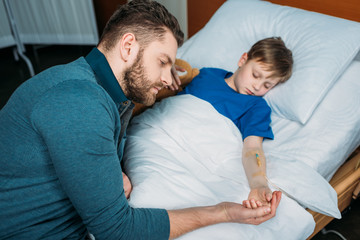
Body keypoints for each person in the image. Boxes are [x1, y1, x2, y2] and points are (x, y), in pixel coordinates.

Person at [0, 1, 281, 239]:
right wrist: (223, 211)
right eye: (162, 62)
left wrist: (112, 172)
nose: (166, 77)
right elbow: (118, 230)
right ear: (128, 46)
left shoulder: (109, 96)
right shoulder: (79, 102)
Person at [178, 37, 293, 209]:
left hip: (193, 152)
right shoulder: (207, 74)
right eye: (255, 75)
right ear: (243, 59)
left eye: (266, 85)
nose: (256, 87)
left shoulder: (256, 107)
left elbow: (253, 148)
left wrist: (258, 184)